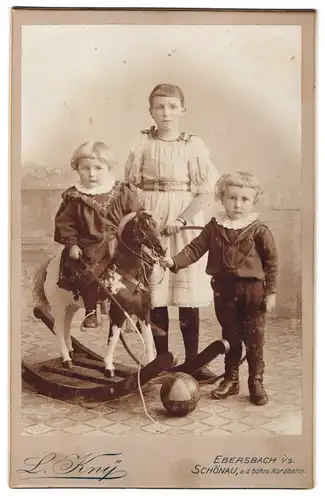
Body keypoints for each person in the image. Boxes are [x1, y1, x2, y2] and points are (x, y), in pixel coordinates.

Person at [125, 83, 219, 383]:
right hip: (150, 221)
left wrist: (182, 217)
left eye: (172, 106)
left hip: (183, 221)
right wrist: (144, 215)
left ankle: (193, 361)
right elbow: (130, 188)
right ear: (150, 111)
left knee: (187, 293)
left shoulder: (193, 146)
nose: (166, 113)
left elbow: (205, 192)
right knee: (157, 294)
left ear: (183, 110)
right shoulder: (141, 144)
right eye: (159, 107)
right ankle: (160, 359)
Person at [161, 172, 278, 405]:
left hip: (253, 293)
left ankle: (256, 382)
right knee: (231, 337)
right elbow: (194, 249)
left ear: (253, 202)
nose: (237, 204)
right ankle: (231, 380)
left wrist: (271, 292)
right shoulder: (215, 226)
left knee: (255, 341)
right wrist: (174, 261)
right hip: (224, 292)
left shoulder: (259, 229)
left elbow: (271, 263)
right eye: (232, 198)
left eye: (245, 199)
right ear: (221, 199)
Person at [54, 140, 143, 331]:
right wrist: (72, 244)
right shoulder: (75, 197)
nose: (92, 173)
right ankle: (91, 310)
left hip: (119, 242)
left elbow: (135, 215)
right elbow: (65, 223)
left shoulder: (121, 191)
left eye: (98, 168)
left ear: (109, 168)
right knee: (89, 266)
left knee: (136, 263)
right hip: (89, 244)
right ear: (77, 168)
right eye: (85, 168)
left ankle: (132, 309)